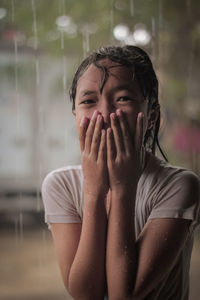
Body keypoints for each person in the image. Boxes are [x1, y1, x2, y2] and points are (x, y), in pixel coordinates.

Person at [41, 45, 200, 300]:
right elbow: (84, 294)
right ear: (75, 116)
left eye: (123, 98)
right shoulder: (61, 184)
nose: (104, 114)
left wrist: (122, 187)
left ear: (151, 115)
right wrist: (94, 190)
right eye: (88, 101)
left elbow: (123, 295)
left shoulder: (178, 186)